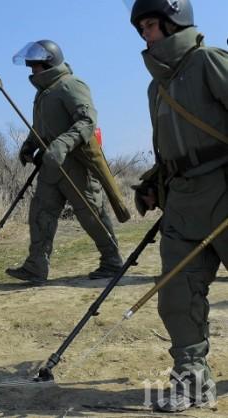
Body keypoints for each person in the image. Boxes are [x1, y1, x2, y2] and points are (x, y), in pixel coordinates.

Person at [129, 0, 228, 411]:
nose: (146, 34)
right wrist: (154, 183)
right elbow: (170, 150)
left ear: (174, 23)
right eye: (142, 28)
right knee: (175, 297)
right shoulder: (157, 86)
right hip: (183, 203)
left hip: (224, 191)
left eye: (152, 25)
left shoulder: (209, 61)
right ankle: (192, 382)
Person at [6, 40, 124, 285]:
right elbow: (40, 127)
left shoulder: (71, 85)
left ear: (48, 64)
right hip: (51, 166)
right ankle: (36, 266)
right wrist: (30, 145)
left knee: (90, 213)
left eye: (36, 66)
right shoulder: (43, 94)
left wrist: (62, 144)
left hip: (76, 164)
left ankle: (112, 261)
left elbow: (86, 121)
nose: (32, 72)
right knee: (40, 213)